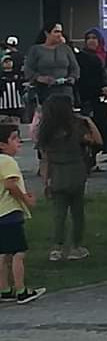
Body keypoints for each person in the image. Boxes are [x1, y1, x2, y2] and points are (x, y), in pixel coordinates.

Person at [37, 96, 101, 262]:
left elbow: (45, 159)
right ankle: (75, 247)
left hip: (56, 173)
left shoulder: (46, 131)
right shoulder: (76, 127)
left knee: (59, 213)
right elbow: (97, 141)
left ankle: (56, 248)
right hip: (76, 170)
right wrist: (89, 121)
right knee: (77, 211)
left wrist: (45, 181)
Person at [0, 124, 44, 304]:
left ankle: (4, 289)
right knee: (19, 252)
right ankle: (21, 290)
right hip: (10, 212)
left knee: (3, 253)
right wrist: (25, 199)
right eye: (13, 138)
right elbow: (10, 184)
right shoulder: (8, 161)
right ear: (2, 144)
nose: (19, 141)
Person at [75, 28, 107, 158]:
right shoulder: (81, 57)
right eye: (89, 38)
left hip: (105, 96)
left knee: (105, 123)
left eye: (94, 38)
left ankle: (106, 149)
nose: (91, 41)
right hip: (88, 96)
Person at [24, 22, 79, 104]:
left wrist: (72, 77)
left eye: (60, 32)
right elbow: (28, 69)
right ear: (47, 33)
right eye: (56, 32)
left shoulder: (66, 49)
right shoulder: (35, 50)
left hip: (65, 91)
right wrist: (39, 78)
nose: (59, 35)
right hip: (44, 91)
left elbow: (75, 68)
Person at [0, 54, 23, 124]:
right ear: (2, 64)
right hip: (3, 105)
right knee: (4, 125)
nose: (8, 63)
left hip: (16, 105)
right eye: (6, 62)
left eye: (10, 61)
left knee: (16, 124)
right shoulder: (1, 75)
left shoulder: (17, 74)